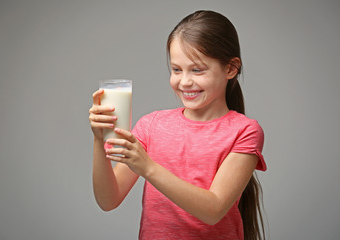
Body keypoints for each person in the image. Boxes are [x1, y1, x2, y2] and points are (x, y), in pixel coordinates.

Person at [89, 10, 267, 240]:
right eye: (176, 69)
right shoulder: (152, 125)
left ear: (230, 69)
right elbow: (108, 200)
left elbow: (213, 210)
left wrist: (148, 168)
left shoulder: (244, 131)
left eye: (197, 70)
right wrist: (98, 139)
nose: (184, 82)